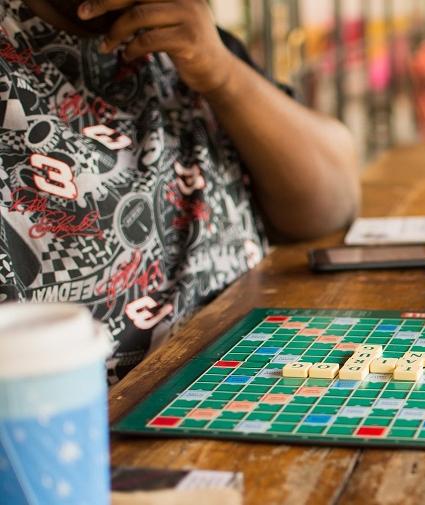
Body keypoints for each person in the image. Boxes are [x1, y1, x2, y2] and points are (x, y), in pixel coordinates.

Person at [0, 0, 361, 381]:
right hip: (82, 424)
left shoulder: (180, 31)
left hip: (252, 380)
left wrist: (220, 72)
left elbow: (331, 204)